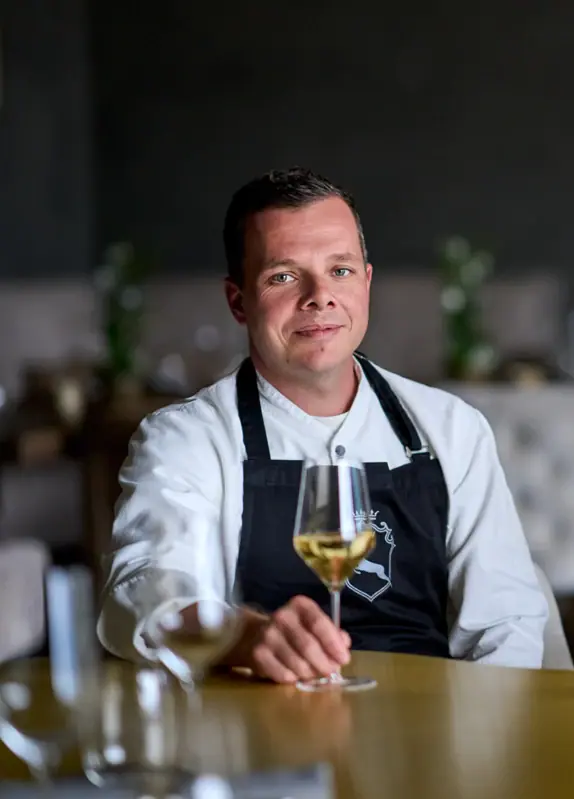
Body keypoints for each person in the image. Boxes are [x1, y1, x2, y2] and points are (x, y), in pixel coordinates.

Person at [98, 168, 548, 682]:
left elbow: (505, 624)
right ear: (238, 301)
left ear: (367, 282)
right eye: (283, 276)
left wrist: (479, 750)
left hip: (431, 731)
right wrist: (239, 635)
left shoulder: (453, 430)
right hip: (261, 742)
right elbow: (141, 591)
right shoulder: (186, 440)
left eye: (340, 270)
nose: (319, 296)